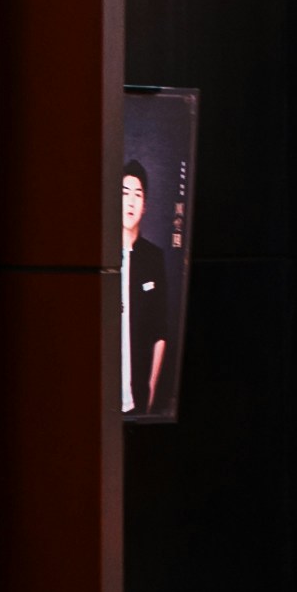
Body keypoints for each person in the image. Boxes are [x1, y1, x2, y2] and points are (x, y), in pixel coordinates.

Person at [122, 164, 171, 416]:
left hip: (138, 398)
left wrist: (151, 388)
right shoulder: (99, 254)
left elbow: (160, 331)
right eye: (124, 192)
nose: (130, 201)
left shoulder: (153, 257)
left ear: (145, 205)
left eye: (137, 194)